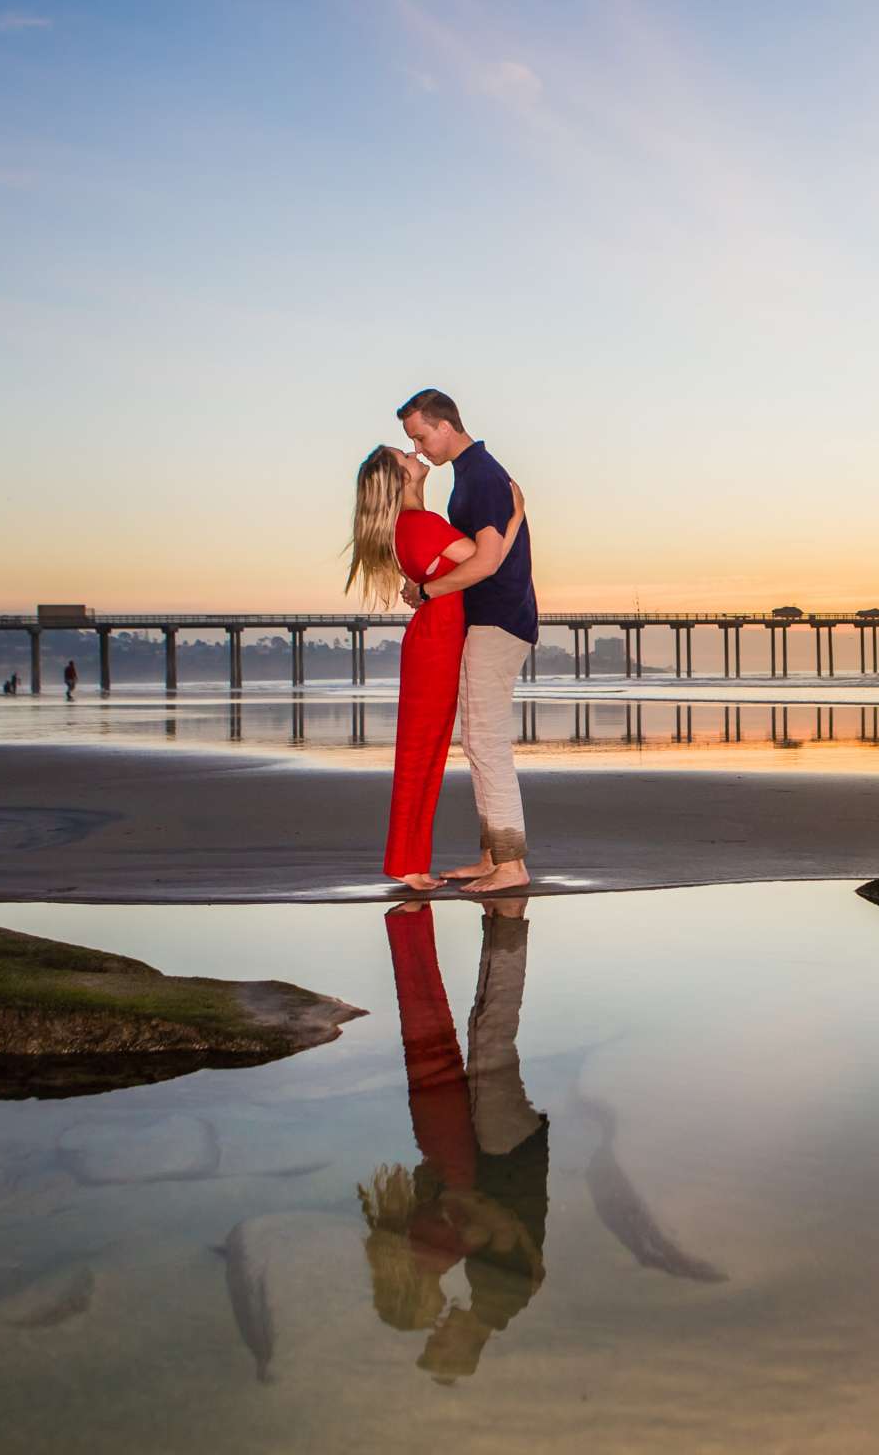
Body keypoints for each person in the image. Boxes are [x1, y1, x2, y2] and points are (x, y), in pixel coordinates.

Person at [358, 898, 548, 1383]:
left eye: (434, 1335)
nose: (441, 1328)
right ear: (466, 1350)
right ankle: (507, 919)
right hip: (505, 1150)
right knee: (490, 1036)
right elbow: (503, 1230)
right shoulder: (497, 1296)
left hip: (499, 1151)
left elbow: (503, 1237)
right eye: (443, 1342)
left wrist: (461, 1204)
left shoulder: (488, 1296)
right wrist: (464, 1202)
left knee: (487, 1032)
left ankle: (502, 919)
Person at [346, 443, 524, 890]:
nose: (413, 454)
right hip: (435, 645)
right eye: (404, 456)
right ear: (399, 478)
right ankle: (406, 863)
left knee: (425, 751)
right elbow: (491, 561)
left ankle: (411, 861)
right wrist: (516, 515)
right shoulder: (420, 524)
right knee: (419, 753)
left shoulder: (416, 524)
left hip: (439, 641)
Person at [399, 388, 537, 893]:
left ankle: (511, 864)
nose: (418, 448)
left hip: (498, 620)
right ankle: (491, 856)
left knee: (486, 742)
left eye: (419, 436)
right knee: (479, 738)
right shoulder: (475, 475)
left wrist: (427, 590)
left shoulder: (479, 476)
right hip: (490, 619)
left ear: (445, 425)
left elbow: (487, 561)